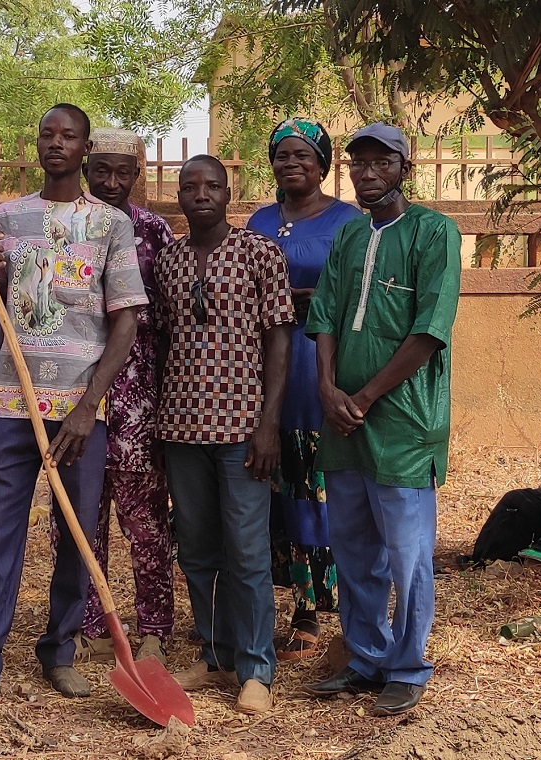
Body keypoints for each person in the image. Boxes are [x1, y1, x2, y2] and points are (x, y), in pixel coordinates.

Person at [0, 104, 146, 702]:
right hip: (10, 401)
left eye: (68, 136)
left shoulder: (111, 224)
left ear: (85, 148)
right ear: (37, 145)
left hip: (81, 409)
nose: (56, 144)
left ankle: (60, 651)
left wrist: (88, 406)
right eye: (47, 134)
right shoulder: (8, 217)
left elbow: (126, 321)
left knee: (79, 533)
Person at [304, 123, 460, 716]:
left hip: (401, 423)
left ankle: (408, 664)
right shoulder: (348, 237)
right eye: (358, 164)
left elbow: (429, 331)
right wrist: (325, 388)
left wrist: (363, 397)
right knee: (352, 546)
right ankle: (366, 657)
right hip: (342, 422)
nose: (366, 173)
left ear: (404, 167)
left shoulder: (433, 232)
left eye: (380, 162)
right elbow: (323, 317)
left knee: (408, 552)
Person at [157, 155, 295, 715]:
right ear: (180, 197)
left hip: (243, 426)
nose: (201, 195)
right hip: (182, 426)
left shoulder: (259, 253)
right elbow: (166, 342)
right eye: (190, 187)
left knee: (247, 549)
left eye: (212, 185)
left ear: (228, 191)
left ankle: (256, 665)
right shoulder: (167, 259)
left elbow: (279, 340)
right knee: (195, 549)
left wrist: (269, 424)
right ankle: (213, 654)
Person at [245, 118, 366, 661]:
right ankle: (293, 599)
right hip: (262, 367)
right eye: (281, 155)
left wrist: (295, 299)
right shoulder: (259, 220)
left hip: (320, 361)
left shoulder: (348, 221)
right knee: (279, 491)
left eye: (302, 155)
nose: (291, 163)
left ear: (322, 162)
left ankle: (321, 605)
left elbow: (353, 295)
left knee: (317, 486)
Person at [75, 128, 179, 664]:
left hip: (139, 399)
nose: (111, 183)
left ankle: (154, 630)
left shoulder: (154, 233)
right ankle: (89, 625)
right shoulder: (67, 229)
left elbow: (165, 322)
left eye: (123, 173)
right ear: (87, 169)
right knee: (80, 515)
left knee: (145, 520)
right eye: (102, 171)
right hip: (75, 398)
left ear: (137, 176)